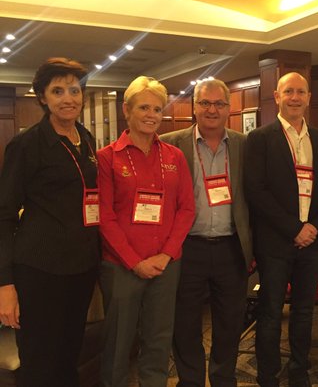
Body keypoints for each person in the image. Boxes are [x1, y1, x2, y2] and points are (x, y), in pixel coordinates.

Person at [0, 57, 100, 386]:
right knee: (39, 360)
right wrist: (5, 285)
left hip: (80, 267)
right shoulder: (27, 144)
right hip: (40, 269)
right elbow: (3, 215)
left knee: (69, 354)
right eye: (58, 91)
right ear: (42, 98)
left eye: (74, 90)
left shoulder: (85, 138)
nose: (68, 98)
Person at [97, 76, 195, 387]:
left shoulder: (174, 156)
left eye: (157, 109)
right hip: (121, 266)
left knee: (158, 340)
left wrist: (166, 255)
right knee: (118, 342)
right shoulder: (107, 157)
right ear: (127, 110)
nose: (151, 115)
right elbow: (104, 216)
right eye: (143, 108)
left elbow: (186, 209)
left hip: (166, 265)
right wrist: (134, 261)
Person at [161, 78, 252, 387]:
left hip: (231, 248)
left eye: (219, 104)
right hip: (187, 247)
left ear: (228, 108)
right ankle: (190, 381)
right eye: (205, 103)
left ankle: (223, 379)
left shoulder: (243, 145)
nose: (212, 110)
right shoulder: (170, 144)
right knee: (184, 323)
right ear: (194, 107)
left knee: (230, 322)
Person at [244, 72, 318, 387]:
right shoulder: (260, 138)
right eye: (288, 91)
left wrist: (314, 228)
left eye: (301, 92)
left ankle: (299, 371)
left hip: (312, 244)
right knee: (270, 313)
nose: (295, 97)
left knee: (304, 312)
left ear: (309, 97)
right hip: (275, 244)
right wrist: (295, 229)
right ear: (277, 97)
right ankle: (267, 375)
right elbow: (256, 192)